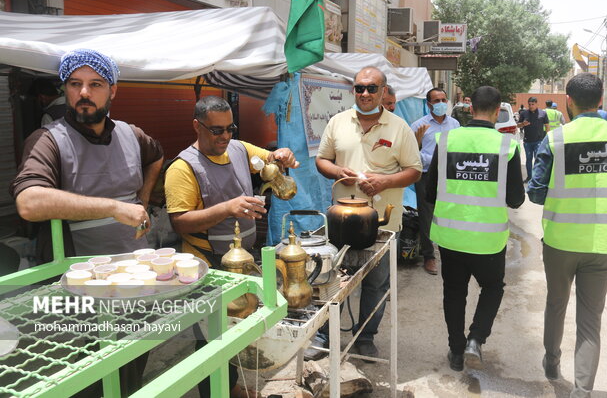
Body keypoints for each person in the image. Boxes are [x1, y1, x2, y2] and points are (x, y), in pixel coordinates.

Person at [10, 48, 164, 395]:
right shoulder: (48, 140)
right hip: (79, 292)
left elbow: (157, 156)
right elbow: (29, 203)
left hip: (134, 278)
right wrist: (113, 207)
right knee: (87, 376)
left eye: (95, 84)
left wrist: (142, 199)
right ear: (65, 89)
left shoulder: (131, 134)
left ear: (112, 90)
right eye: (75, 83)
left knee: (131, 365)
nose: (84, 93)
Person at [164, 95, 298, 398]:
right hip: (207, 265)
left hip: (240, 262)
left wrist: (282, 155)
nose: (225, 136)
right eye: (216, 130)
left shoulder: (237, 148)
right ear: (197, 126)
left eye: (229, 128)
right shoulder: (183, 167)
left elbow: (269, 158)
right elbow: (181, 222)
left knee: (236, 331)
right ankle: (216, 392)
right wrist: (228, 208)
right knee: (211, 340)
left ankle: (233, 387)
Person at [314, 66, 422, 359]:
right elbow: (321, 160)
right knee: (329, 279)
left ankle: (365, 337)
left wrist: (385, 182)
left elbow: (414, 171)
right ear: (353, 90)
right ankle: (323, 336)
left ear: (383, 91)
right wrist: (338, 171)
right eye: (359, 88)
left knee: (376, 283)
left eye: (371, 88)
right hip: (341, 220)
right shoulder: (337, 122)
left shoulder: (399, 127)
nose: (364, 93)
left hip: (383, 222)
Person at [528, 73, 607, 397]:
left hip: (561, 242)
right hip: (603, 243)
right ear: (600, 101)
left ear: (569, 101)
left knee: (556, 303)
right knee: (590, 321)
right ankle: (582, 391)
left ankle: (552, 363)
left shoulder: (555, 140)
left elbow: (536, 193)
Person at [425, 85, 524, 371]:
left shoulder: (445, 140)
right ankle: (475, 339)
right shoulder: (507, 146)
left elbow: (430, 193)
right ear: (496, 112)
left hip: (450, 236)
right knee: (492, 288)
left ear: (469, 108)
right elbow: (516, 198)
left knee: (454, 292)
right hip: (488, 239)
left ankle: (456, 352)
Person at [410, 88, 460, 275]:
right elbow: (408, 154)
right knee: (426, 215)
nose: (441, 103)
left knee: (449, 213)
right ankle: (429, 255)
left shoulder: (455, 125)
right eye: (436, 100)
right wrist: (417, 140)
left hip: (449, 175)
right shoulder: (418, 125)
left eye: (443, 100)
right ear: (429, 104)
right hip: (426, 175)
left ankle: (450, 251)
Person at [517, 96, 549, 182]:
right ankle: (529, 177)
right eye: (529, 104)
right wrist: (523, 124)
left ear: (537, 104)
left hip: (539, 140)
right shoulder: (524, 113)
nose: (531, 106)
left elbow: (547, 126)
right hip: (527, 141)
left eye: (533, 104)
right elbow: (518, 125)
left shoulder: (543, 113)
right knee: (528, 159)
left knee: (537, 159)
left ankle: (537, 178)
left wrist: (546, 137)